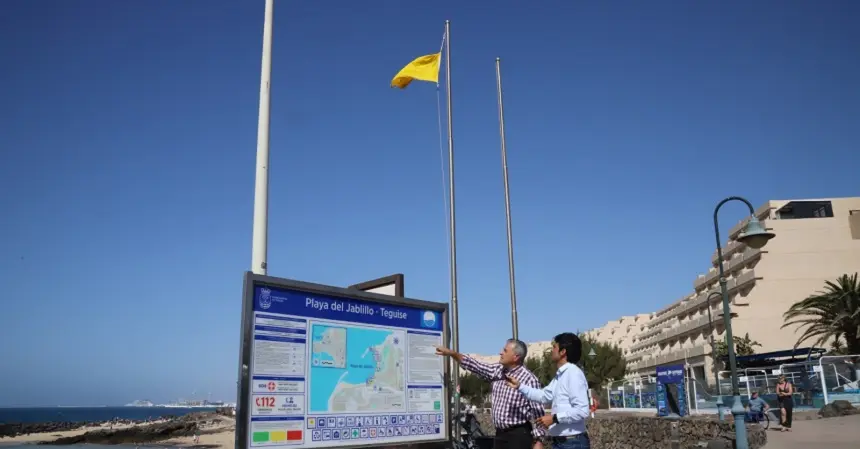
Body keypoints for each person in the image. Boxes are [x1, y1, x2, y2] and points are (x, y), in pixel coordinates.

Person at [436, 339, 546, 449]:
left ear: (515, 357)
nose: (500, 352)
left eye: (505, 350)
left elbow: (539, 414)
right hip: (500, 434)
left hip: (519, 436)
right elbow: (475, 365)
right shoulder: (498, 370)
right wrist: (453, 354)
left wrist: (539, 441)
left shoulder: (529, 379)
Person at [506, 333, 590, 449]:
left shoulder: (573, 374)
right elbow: (543, 395)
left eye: (554, 347)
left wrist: (554, 418)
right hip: (561, 442)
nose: (552, 350)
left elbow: (582, 410)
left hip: (572, 442)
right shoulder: (561, 375)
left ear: (563, 352)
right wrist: (520, 386)